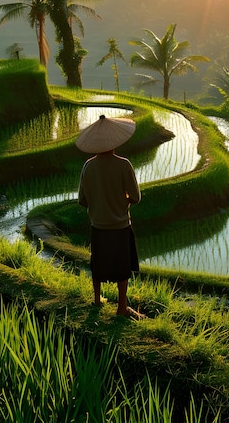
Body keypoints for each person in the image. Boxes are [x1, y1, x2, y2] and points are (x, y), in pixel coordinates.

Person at [76, 114, 143, 319]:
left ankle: (97, 300)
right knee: (122, 266)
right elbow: (136, 197)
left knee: (98, 263)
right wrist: (122, 201)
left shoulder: (88, 166)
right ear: (116, 141)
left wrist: (98, 203)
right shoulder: (123, 165)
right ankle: (121, 308)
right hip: (120, 225)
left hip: (98, 225)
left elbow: (82, 199)